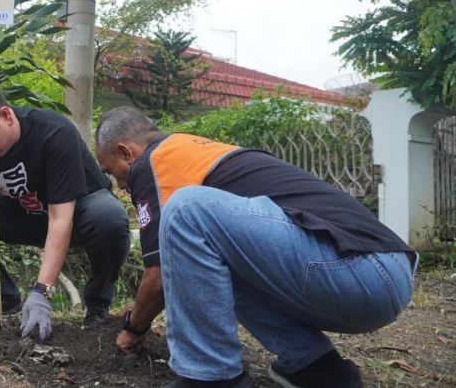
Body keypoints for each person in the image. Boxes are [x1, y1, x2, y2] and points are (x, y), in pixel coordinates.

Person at [94, 107, 416, 388]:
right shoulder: (199, 153)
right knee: (216, 259)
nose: (121, 185)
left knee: (186, 209)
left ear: (126, 152)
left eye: (113, 173)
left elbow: (159, 275)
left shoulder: (154, 160)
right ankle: (316, 367)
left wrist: (133, 327)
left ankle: (212, 378)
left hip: (359, 269)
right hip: (382, 275)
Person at [0, 74, 130, 341]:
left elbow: (61, 217)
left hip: (77, 213)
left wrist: (42, 291)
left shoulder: (53, 133)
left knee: (109, 218)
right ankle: (2, 299)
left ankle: (97, 308)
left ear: (6, 115)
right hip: (25, 215)